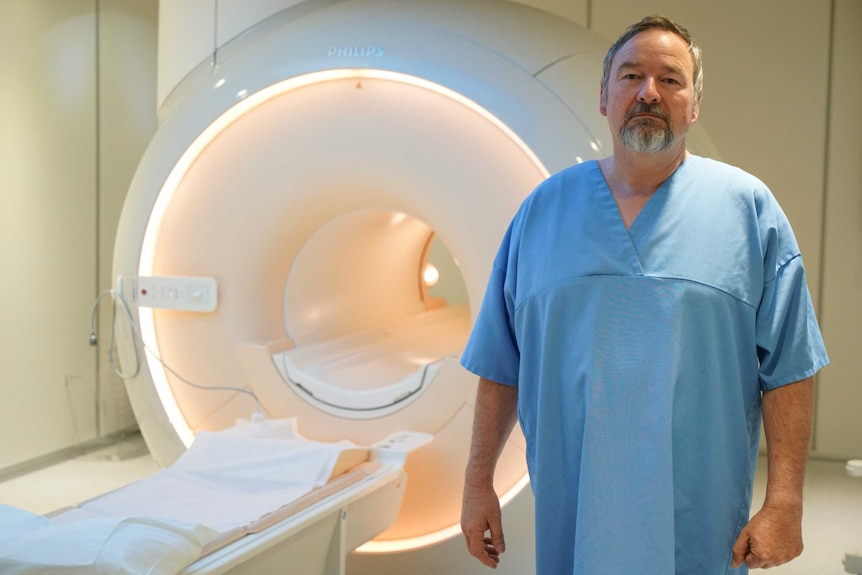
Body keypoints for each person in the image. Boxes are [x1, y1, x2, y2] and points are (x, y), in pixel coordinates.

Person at [459, 15, 829, 575]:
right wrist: (476, 483)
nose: (649, 92)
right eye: (631, 76)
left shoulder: (747, 210)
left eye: (671, 79)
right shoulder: (542, 211)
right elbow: (501, 363)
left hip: (696, 514)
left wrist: (784, 502)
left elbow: (790, 367)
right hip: (574, 508)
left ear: (695, 104)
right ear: (604, 97)